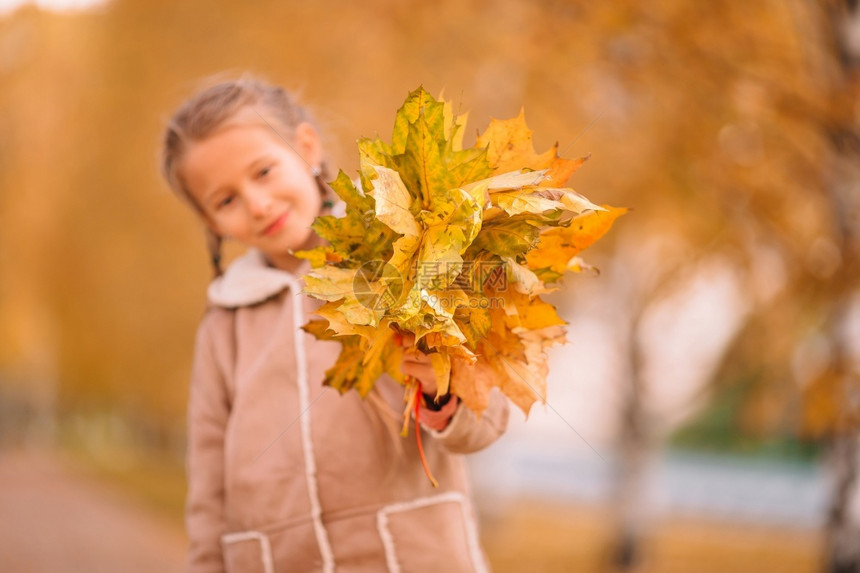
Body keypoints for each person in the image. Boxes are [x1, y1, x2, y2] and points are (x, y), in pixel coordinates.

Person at [159, 74, 510, 573]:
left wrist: (442, 391)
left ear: (306, 147)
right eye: (226, 200)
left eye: (262, 172)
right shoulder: (226, 322)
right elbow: (209, 481)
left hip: (409, 555)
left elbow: (486, 420)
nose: (257, 205)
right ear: (211, 222)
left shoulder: (398, 261)